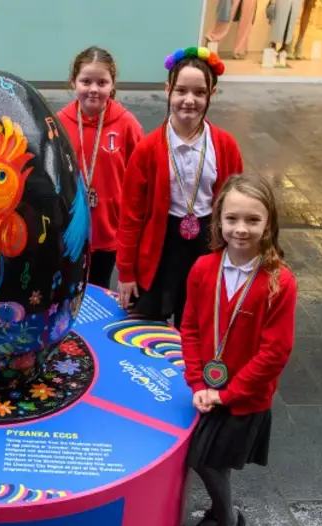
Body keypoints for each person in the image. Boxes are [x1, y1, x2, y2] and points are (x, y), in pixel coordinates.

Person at [179, 173, 297, 526]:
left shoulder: (279, 282)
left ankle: (228, 521)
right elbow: (191, 327)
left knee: (208, 461)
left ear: (269, 225)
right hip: (208, 389)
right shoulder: (201, 269)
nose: (241, 229)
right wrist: (197, 381)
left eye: (252, 220)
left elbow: (274, 353)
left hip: (245, 396)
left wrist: (226, 393)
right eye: (232, 219)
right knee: (205, 459)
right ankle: (220, 511)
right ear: (218, 222)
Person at [115, 46, 244, 323]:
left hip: (205, 246)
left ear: (212, 94)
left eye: (199, 92)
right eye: (181, 90)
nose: (189, 100)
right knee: (146, 332)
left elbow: (236, 208)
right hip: (159, 248)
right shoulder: (147, 149)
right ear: (167, 90)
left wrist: (235, 263)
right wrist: (125, 272)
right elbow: (130, 216)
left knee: (196, 328)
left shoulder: (225, 146)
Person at [57, 46, 144, 289]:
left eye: (102, 82)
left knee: (100, 286)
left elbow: (140, 177)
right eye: (86, 81)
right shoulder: (59, 123)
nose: (93, 89)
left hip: (109, 228)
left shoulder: (127, 124)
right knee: (70, 287)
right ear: (73, 81)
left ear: (112, 85)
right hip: (72, 228)